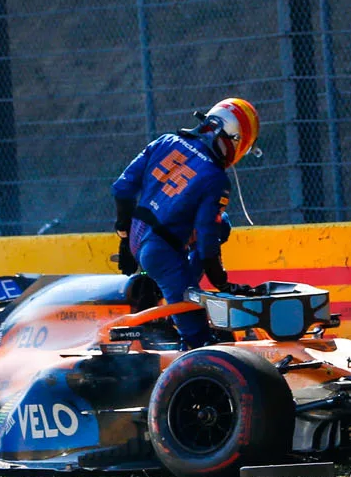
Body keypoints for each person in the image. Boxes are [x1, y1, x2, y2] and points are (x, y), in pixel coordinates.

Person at [111, 98, 260, 348]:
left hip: (138, 235)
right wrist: (222, 282)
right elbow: (206, 240)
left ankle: (165, 293)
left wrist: (125, 240)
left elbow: (122, 189)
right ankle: (186, 332)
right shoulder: (215, 179)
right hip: (162, 254)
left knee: (222, 223)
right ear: (233, 139)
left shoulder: (165, 141)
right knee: (197, 334)